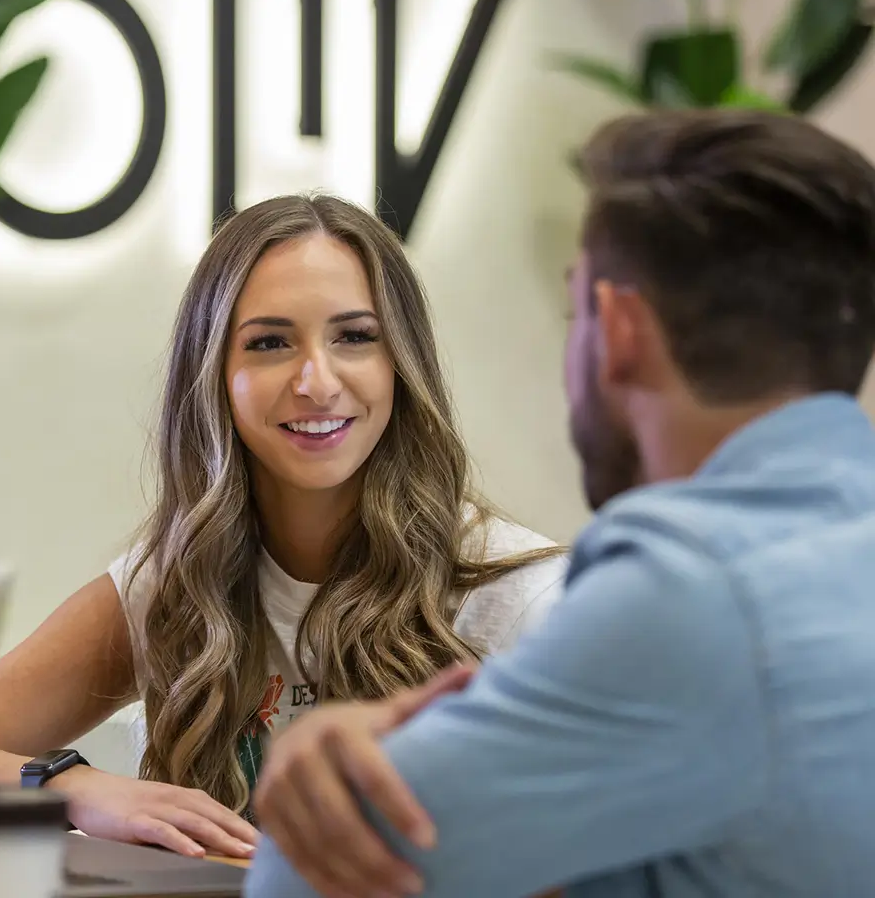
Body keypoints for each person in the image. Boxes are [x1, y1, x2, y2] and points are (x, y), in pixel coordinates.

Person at [244, 108, 875, 898]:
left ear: (620, 330)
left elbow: (305, 879)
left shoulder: (691, 590)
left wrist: (329, 765)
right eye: (268, 342)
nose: (315, 381)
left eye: (576, 311)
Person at [0, 193, 567, 860]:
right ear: (214, 374)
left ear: (401, 364)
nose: (317, 382)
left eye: (355, 337)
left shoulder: (522, 600)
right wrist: (75, 788)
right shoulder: (175, 582)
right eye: (270, 343)